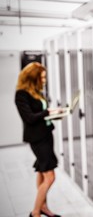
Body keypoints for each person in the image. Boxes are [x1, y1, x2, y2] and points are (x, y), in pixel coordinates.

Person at [15, 62, 62, 217]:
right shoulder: (21, 94)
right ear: (32, 78)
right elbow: (29, 118)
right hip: (37, 138)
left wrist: (55, 113)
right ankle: (35, 212)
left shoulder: (37, 91)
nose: (44, 80)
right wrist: (47, 112)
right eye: (41, 77)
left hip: (46, 134)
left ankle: (44, 207)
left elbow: (41, 113)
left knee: (42, 172)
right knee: (50, 176)